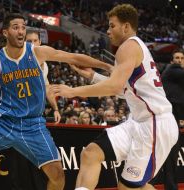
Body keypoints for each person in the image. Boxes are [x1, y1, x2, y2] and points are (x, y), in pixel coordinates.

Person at [0, 13, 112, 190]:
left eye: (23, 27)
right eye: (16, 27)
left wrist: (106, 66)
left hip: (33, 124)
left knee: (58, 177)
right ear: (6, 32)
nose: (21, 31)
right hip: (1, 120)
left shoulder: (37, 52)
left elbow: (73, 57)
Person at [51, 4, 178, 190]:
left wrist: (71, 91)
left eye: (112, 25)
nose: (108, 31)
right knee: (91, 153)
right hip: (138, 122)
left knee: (128, 187)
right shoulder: (135, 48)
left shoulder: (128, 47)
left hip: (155, 125)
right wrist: (91, 76)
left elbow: (114, 87)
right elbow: (124, 90)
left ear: (126, 27)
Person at [150, 49, 184, 190]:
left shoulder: (178, 77)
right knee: (167, 155)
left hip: (172, 119)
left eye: (182, 58)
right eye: (177, 57)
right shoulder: (172, 69)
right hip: (166, 118)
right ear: (172, 61)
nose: (179, 60)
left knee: (171, 155)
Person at [26, 29, 61, 123]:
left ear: (40, 42)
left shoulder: (45, 65)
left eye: (35, 41)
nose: (32, 44)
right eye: (29, 41)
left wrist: (56, 109)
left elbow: (47, 89)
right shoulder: (18, 60)